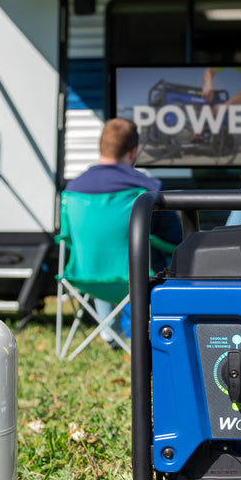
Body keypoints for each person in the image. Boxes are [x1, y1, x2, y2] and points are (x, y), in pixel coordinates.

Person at [66, 117, 182, 337]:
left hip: (85, 278)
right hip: (138, 280)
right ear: (133, 151)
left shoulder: (73, 189)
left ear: (100, 146)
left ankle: (109, 333)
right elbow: (175, 239)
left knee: (101, 253)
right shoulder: (148, 187)